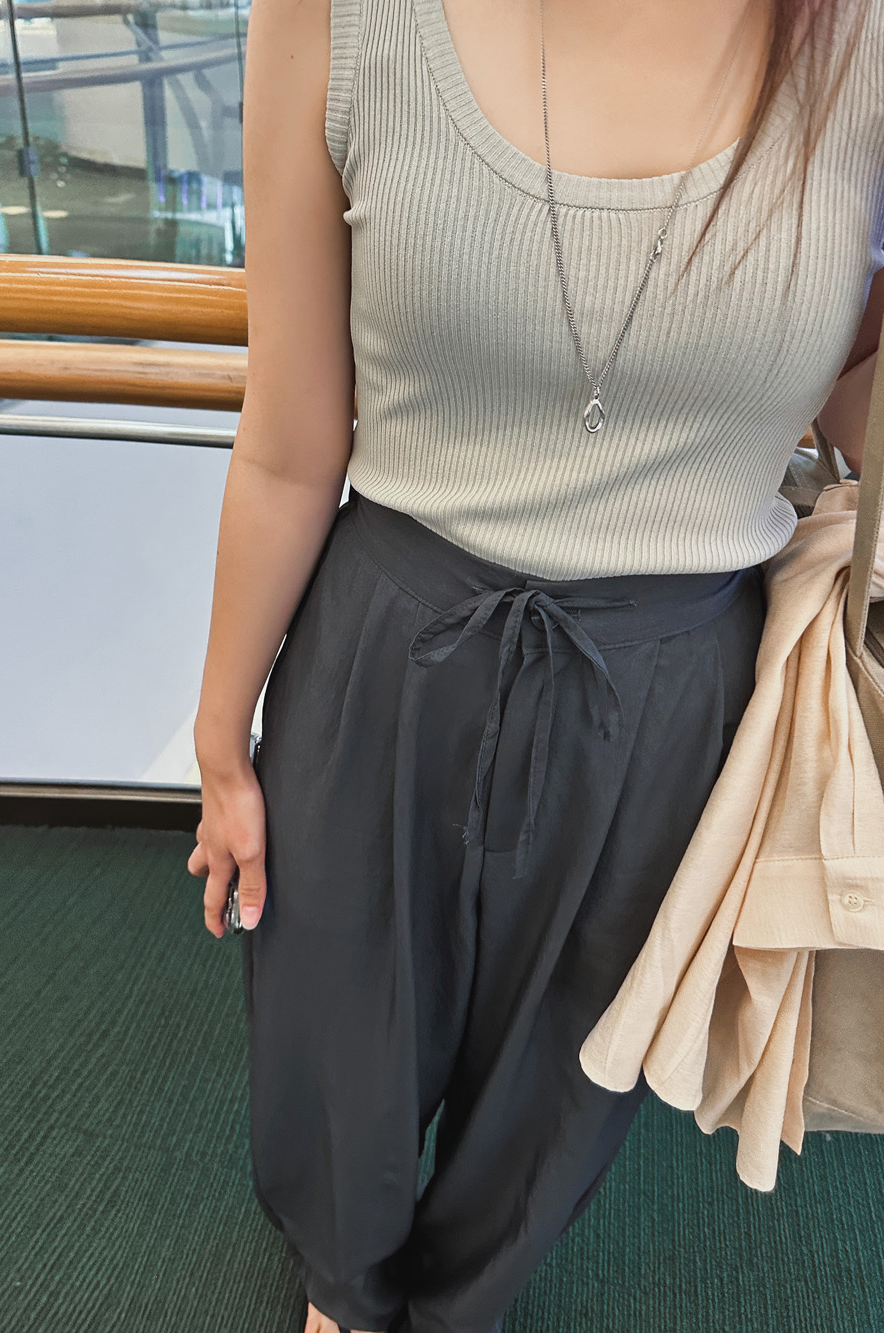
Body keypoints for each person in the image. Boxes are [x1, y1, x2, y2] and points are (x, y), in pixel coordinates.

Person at [187, 1, 882, 1330]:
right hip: (387, 647)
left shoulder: (859, 42)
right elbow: (287, 441)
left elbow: (846, 397)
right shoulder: (339, 17)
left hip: (678, 688)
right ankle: (344, 1291)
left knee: (564, 1075)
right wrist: (222, 738)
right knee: (338, 1024)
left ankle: (459, 1306)